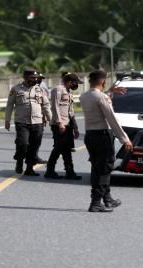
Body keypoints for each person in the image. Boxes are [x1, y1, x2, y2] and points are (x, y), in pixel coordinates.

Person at [79, 70, 133, 212]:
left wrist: (109, 91)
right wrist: (124, 138)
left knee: (98, 168)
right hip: (103, 136)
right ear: (103, 82)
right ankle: (96, 203)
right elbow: (111, 118)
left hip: (90, 135)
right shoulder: (102, 97)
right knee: (104, 169)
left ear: (90, 82)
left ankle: (107, 199)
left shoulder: (84, 96)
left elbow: (98, 99)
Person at [5, 68, 52, 175]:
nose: (35, 79)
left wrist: (51, 119)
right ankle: (19, 161)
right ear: (25, 78)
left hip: (37, 121)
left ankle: (29, 168)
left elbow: (46, 105)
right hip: (22, 122)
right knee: (23, 144)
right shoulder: (16, 89)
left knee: (34, 145)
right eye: (32, 77)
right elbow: (9, 105)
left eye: (36, 78)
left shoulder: (40, 89)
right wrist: (7, 120)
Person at [44, 73, 83, 180]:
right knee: (58, 148)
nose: (76, 85)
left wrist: (75, 127)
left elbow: (71, 111)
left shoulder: (68, 92)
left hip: (68, 124)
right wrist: (59, 122)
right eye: (75, 83)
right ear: (70, 82)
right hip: (59, 124)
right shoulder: (58, 89)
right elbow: (55, 107)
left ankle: (70, 172)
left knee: (67, 149)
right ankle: (49, 170)